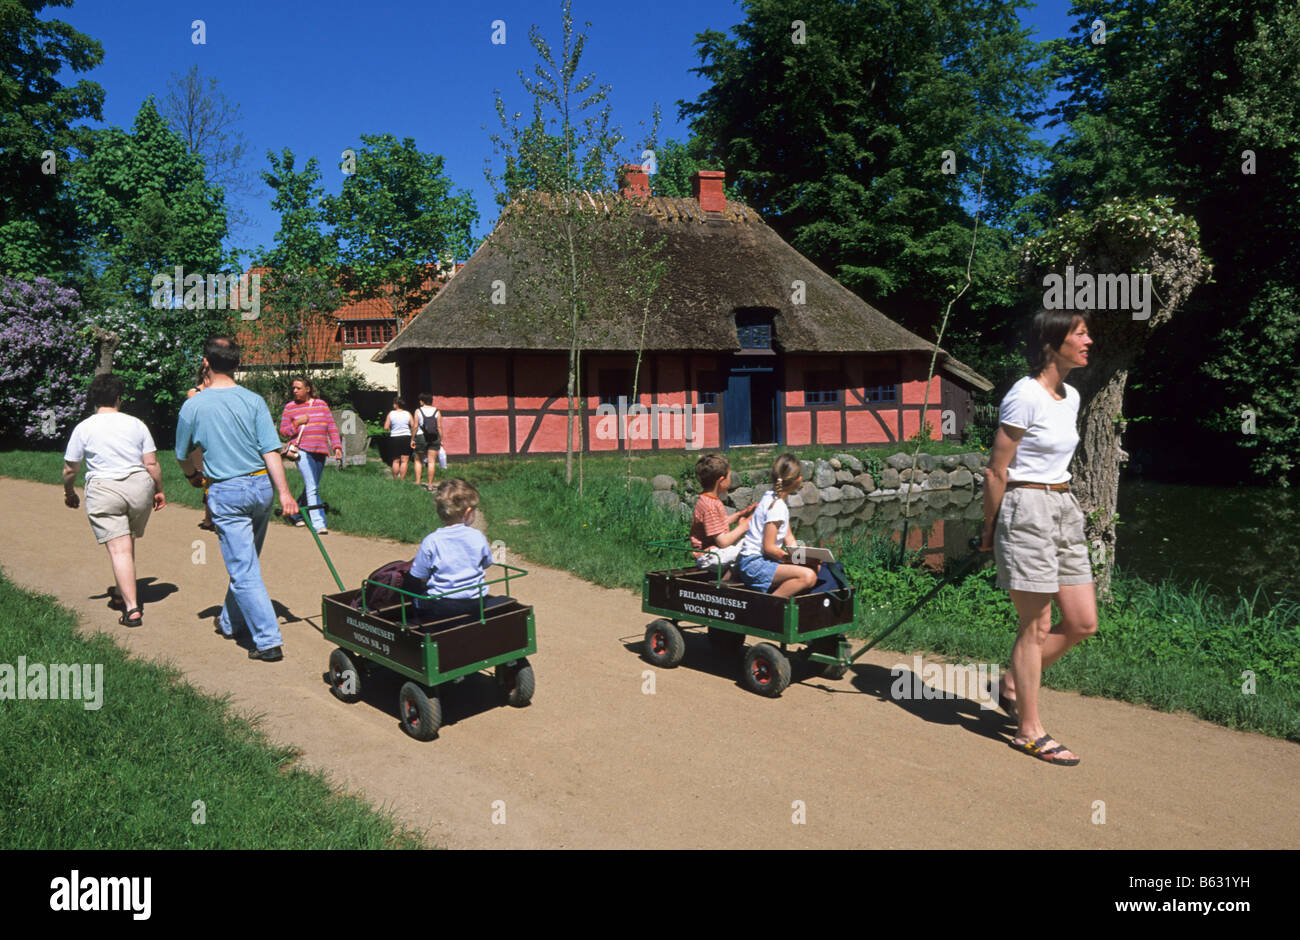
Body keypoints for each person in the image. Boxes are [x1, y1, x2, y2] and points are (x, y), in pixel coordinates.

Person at [978, 309, 1098, 766]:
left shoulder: (1071, 396)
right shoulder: (1023, 395)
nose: (1088, 341)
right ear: (1052, 343)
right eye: (1080, 333)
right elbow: (997, 469)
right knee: (1037, 626)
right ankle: (1028, 729)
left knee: (1083, 622)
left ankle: (1011, 683)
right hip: (1025, 507)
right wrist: (989, 529)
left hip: (1064, 505)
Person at [175, 336, 300, 662]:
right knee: (246, 562)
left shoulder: (193, 405)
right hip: (261, 488)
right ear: (238, 364)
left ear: (205, 363)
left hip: (227, 492)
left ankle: (269, 640)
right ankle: (230, 622)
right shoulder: (254, 401)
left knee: (243, 568)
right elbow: (270, 451)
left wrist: (192, 476)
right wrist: (284, 493)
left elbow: (181, 454)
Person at [62, 373, 166, 627]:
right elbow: (151, 463)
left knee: (119, 548)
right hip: (139, 488)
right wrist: (159, 489)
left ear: (93, 399)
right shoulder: (136, 424)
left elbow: (70, 470)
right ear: (119, 398)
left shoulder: (84, 427)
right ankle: (121, 592)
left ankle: (131, 609)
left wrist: (69, 491)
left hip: (105, 490)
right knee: (126, 540)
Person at [409, 478, 510, 624]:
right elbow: (487, 562)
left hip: (442, 606)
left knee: (416, 602)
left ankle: (424, 632)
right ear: (468, 512)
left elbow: (419, 574)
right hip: (475, 601)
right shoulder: (478, 536)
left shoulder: (432, 541)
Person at [736, 453, 818, 598]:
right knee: (808, 576)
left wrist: (803, 557)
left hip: (758, 561)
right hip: (755, 564)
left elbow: (789, 537)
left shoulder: (771, 497)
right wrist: (788, 558)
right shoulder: (777, 507)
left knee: (814, 566)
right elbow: (769, 547)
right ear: (797, 480)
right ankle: (769, 607)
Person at [278, 377, 343, 533]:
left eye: (298, 388)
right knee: (312, 487)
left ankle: (296, 514)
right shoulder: (290, 407)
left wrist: (337, 446)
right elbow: (284, 432)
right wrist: (297, 422)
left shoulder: (321, 405)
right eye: (293, 388)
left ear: (308, 389)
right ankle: (318, 523)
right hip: (302, 451)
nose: (294, 391)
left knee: (312, 486)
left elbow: (331, 427)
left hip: (320, 450)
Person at [690, 453, 755, 570]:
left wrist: (741, 514)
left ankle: (733, 574)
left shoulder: (707, 500)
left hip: (715, 552)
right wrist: (744, 526)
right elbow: (723, 542)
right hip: (709, 556)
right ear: (721, 481)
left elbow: (717, 524)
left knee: (752, 543)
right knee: (753, 545)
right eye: (729, 476)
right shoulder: (709, 506)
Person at [186, 364, 216, 532]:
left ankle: (209, 519)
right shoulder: (194, 392)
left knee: (214, 479)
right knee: (207, 479)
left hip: (215, 442)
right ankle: (211, 518)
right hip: (199, 444)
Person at [411, 393, 441, 490]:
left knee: (418, 460)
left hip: (421, 437)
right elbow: (439, 427)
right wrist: (441, 439)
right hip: (434, 437)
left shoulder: (418, 411)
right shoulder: (437, 411)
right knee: (431, 462)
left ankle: (418, 482)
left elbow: (415, 426)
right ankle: (430, 485)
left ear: (422, 401)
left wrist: (412, 438)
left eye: (420, 400)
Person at [382, 396, 415, 480]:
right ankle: (402, 479)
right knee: (404, 461)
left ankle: (395, 479)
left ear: (396, 405)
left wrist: (391, 428)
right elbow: (413, 426)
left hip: (395, 437)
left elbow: (386, 427)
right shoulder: (408, 413)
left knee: (396, 460)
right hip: (406, 437)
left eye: (394, 403)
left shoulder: (391, 413)